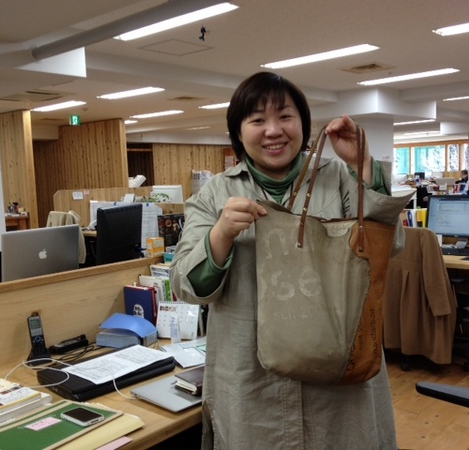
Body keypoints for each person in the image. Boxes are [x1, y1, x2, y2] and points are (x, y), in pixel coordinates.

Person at [171, 72, 413, 449]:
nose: (274, 130)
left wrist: (364, 166)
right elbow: (187, 286)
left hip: (340, 375)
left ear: (303, 124)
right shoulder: (216, 193)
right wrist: (221, 234)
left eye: (285, 116)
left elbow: (389, 246)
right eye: (257, 120)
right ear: (238, 133)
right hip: (251, 381)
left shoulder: (339, 178)